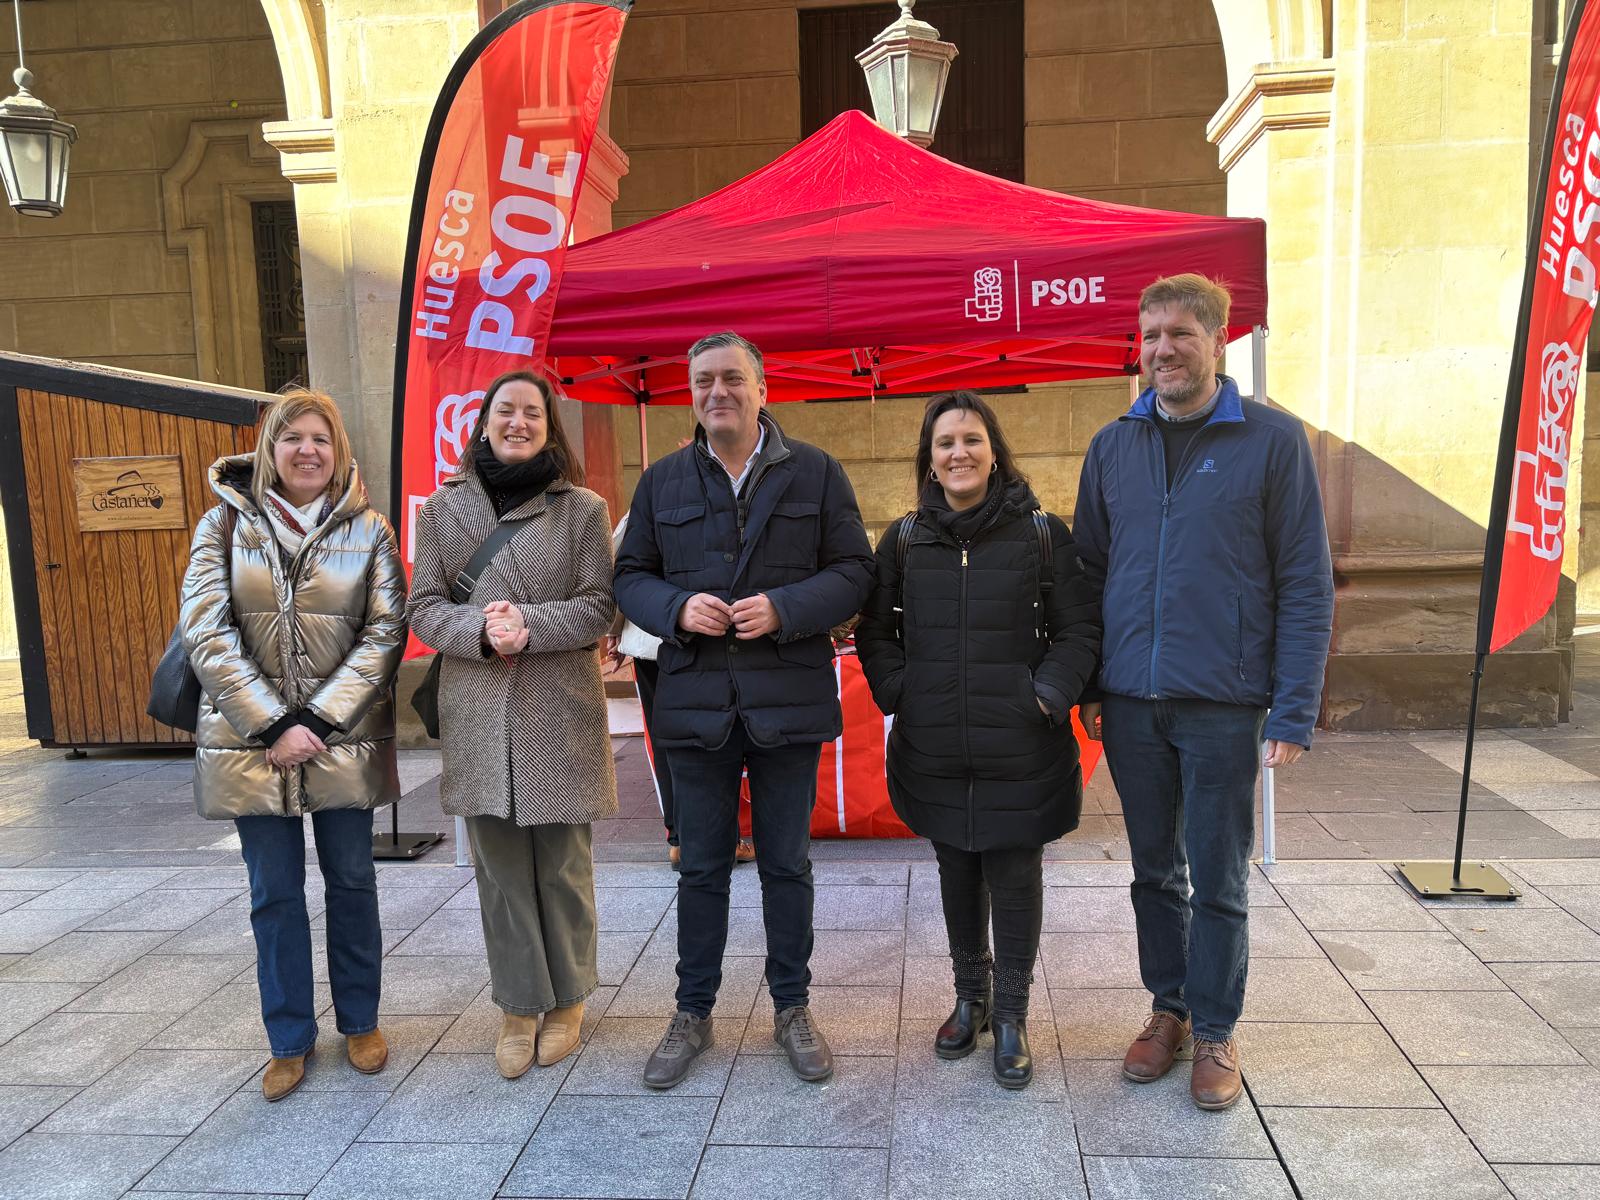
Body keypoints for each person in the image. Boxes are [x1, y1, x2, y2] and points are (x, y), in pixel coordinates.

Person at [1073, 273, 1333, 1110]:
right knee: (1155, 872)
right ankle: (1169, 1009)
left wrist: (1293, 706)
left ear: (1219, 342)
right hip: (1132, 703)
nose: (1162, 351)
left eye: (1180, 334)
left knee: (1218, 875)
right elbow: (1088, 575)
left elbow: (1305, 580)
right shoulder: (1113, 444)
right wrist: (1090, 685)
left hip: (1224, 701)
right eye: (1150, 336)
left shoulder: (1272, 439)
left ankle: (1217, 1027)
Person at [615, 331, 874, 1090]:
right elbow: (629, 575)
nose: (716, 392)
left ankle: (792, 1007)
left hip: (786, 700)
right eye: (702, 381)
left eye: (732, 379)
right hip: (696, 705)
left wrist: (789, 608)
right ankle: (692, 1011)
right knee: (701, 867)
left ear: (763, 389)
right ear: (689, 392)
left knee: (788, 864)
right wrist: (675, 605)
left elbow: (855, 570)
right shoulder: (661, 482)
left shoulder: (817, 474)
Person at [856, 391, 1100, 1089]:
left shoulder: (1042, 533)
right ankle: (972, 998)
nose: (957, 452)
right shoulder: (903, 540)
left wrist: (1046, 695)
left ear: (994, 452)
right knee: (957, 868)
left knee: (1015, 874)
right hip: (935, 741)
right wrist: (900, 690)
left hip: (1021, 742)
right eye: (944, 443)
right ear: (929, 461)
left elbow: (1079, 630)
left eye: (970, 439)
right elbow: (876, 632)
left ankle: (1014, 1013)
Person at [180, 388, 405, 1102]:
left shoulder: (371, 531)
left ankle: (361, 1022)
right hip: (252, 743)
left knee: (353, 883)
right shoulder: (220, 526)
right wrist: (274, 724)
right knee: (273, 894)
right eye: (293, 438)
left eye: (321, 438)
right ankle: (288, 1038)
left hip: (342, 739)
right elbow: (206, 631)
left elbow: (385, 632)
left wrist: (320, 720)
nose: (308, 450)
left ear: (338, 452)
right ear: (268, 448)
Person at [408, 370, 617, 1080]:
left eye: (532, 412)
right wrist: (479, 630)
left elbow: (598, 608)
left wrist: (526, 625)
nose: (519, 422)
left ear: (548, 424)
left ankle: (570, 998)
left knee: (561, 864)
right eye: (507, 410)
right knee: (499, 870)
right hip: (478, 707)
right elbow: (425, 606)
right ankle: (520, 1004)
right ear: (486, 420)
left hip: (558, 706)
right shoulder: (441, 511)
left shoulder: (582, 509)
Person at [605, 514, 755, 869]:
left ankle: (680, 838)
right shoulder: (731, 499)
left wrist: (616, 629)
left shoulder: (649, 499)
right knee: (714, 738)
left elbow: (619, 568)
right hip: (706, 641)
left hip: (649, 639)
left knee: (667, 741)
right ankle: (723, 838)